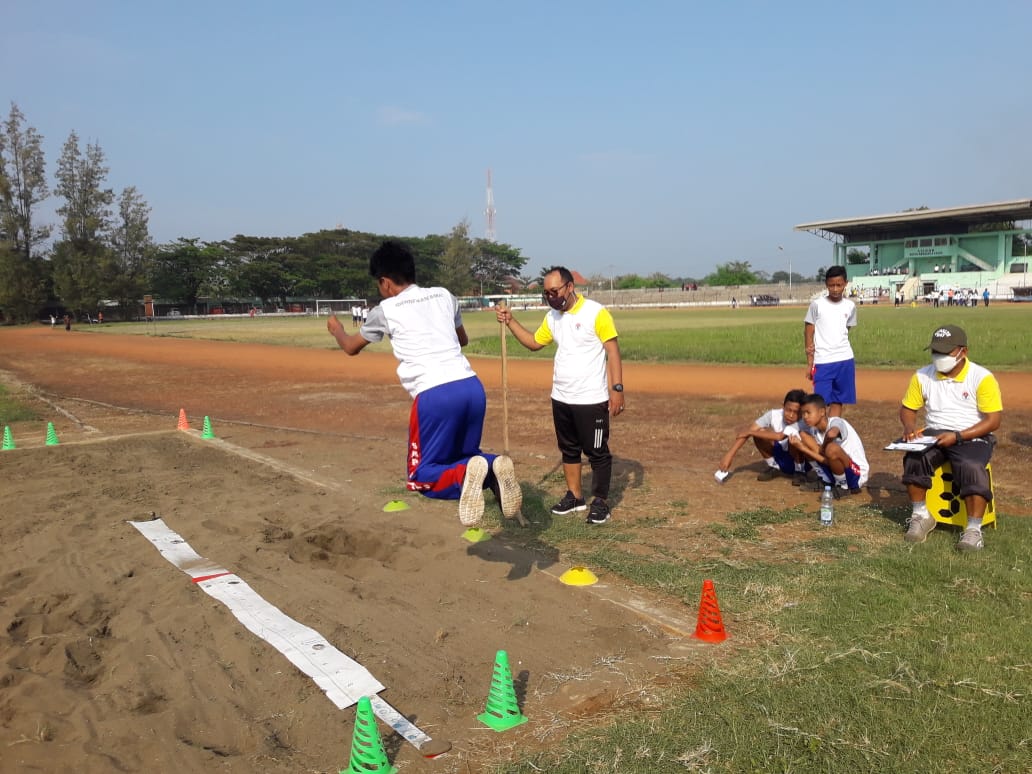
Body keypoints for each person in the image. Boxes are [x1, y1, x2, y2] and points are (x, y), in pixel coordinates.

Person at [326, 239, 521, 527]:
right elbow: (462, 340)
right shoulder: (443, 295)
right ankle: (492, 465)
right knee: (464, 455)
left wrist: (337, 331)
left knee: (422, 476)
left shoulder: (386, 309)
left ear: (385, 282)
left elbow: (351, 347)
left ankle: (472, 471)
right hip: (470, 386)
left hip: (434, 395)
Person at [495, 266, 624, 525]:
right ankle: (575, 497)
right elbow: (533, 343)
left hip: (591, 399)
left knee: (597, 452)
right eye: (546, 293)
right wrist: (510, 321)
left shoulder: (595, 313)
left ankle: (600, 501)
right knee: (569, 449)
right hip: (562, 397)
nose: (551, 297)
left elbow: (613, 351)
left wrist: (617, 389)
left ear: (569, 286)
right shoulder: (552, 317)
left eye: (554, 291)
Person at [899, 325, 1002, 552]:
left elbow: (993, 421)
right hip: (934, 433)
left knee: (972, 466)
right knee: (914, 458)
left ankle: (973, 530)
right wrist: (909, 427)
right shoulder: (922, 375)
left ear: (962, 352)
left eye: (945, 352)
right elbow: (908, 408)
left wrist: (958, 436)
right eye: (935, 351)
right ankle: (921, 515)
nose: (939, 357)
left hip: (972, 435)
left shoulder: (981, 377)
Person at [714, 389, 809, 484]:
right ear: (783, 406)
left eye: (796, 412)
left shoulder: (803, 421)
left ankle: (800, 472)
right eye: (788, 410)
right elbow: (749, 432)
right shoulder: (773, 415)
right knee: (759, 432)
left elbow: (779, 436)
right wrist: (729, 455)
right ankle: (774, 467)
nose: (791, 415)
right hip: (783, 456)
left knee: (794, 440)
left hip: (802, 461)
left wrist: (750, 432)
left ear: (802, 412)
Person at [785, 393, 869, 497]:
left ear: (822, 412)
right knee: (803, 436)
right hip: (836, 468)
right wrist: (801, 448)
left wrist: (823, 447)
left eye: (808, 412)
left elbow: (831, 434)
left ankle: (843, 487)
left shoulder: (836, 421)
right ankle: (825, 479)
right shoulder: (814, 430)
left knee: (831, 448)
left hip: (856, 473)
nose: (805, 417)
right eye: (803, 413)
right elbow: (826, 460)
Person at [804, 265, 857, 417]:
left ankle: (832, 432)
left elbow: (847, 330)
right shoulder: (817, 305)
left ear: (845, 284)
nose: (835, 289)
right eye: (831, 285)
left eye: (838, 285)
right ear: (826, 284)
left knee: (838, 400)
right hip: (823, 361)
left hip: (845, 359)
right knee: (820, 402)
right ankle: (819, 434)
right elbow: (808, 332)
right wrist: (809, 363)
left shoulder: (850, 306)